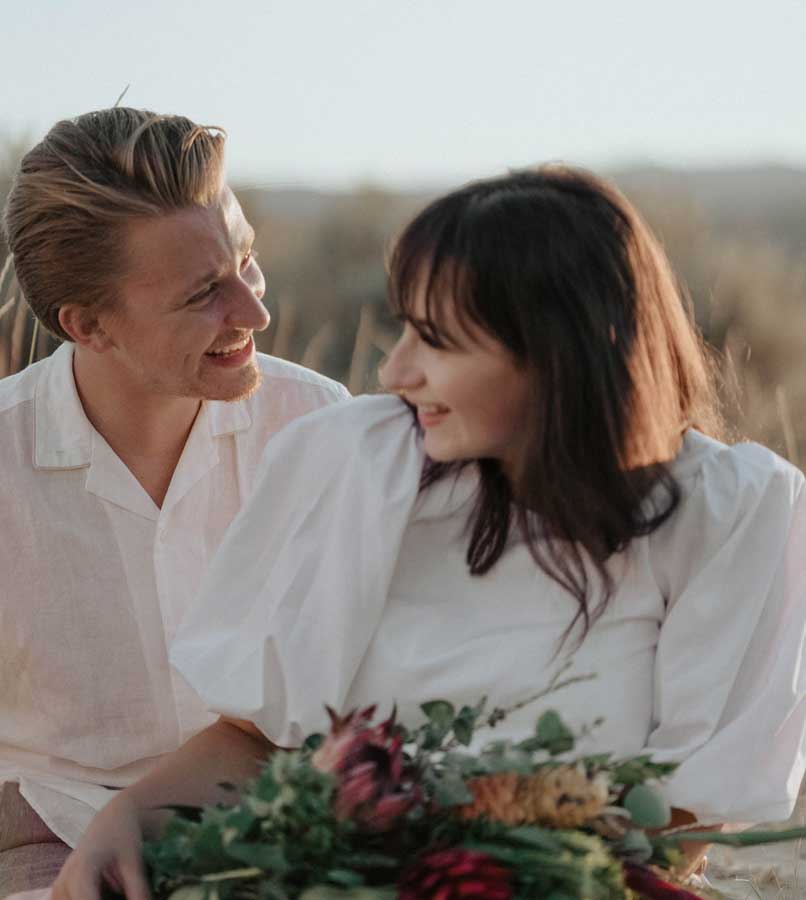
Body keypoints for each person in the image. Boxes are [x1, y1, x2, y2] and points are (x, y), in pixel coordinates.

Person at [50, 167, 806, 900]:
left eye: (436, 341)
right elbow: (257, 741)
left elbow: (679, 829)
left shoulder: (733, 511)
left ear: (558, 351)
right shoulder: (360, 464)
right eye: (403, 328)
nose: (396, 372)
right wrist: (126, 821)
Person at [0, 107, 349, 897]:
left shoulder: (318, 426)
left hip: (283, 817)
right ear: (89, 326)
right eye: (204, 295)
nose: (255, 313)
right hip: (49, 831)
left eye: (247, 262)